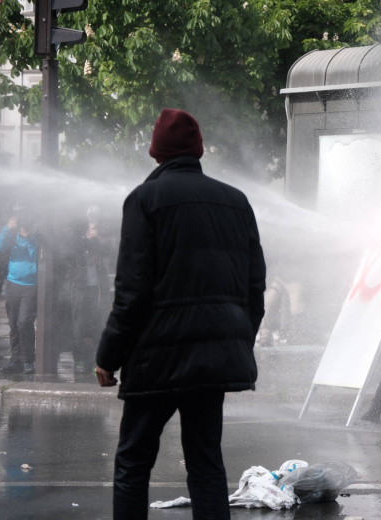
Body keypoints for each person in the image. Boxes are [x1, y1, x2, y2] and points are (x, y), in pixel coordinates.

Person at [95, 108, 266, 520]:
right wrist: (239, 338)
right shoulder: (235, 201)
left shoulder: (144, 199)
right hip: (213, 359)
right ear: (198, 150)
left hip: (157, 357)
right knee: (207, 464)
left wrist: (108, 355)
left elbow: (131, 290)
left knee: (133, 463)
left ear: (156, 152)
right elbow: (254, 287)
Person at [68, 208, 114, 374]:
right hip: (79, 287)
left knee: (98, 325)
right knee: (79, 326)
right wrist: (86, 238)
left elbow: (111, 251)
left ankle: (97, 360)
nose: (92, 216)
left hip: (98, 287)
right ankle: (80, 360)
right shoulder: (76, 230)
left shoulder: (102, 230)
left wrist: (100, 240)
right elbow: (69, 252)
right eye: (89, 213)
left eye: (95, 213)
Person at [0, 207, 39, 375]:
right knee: (13, 324)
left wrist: (27, 236)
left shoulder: (35, 235)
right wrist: (8, 228)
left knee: (24, 322)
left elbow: (35, 255)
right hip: (13, 283)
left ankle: (29, 360)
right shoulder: (10, 233)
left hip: (30, 286)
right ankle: (16, 360)